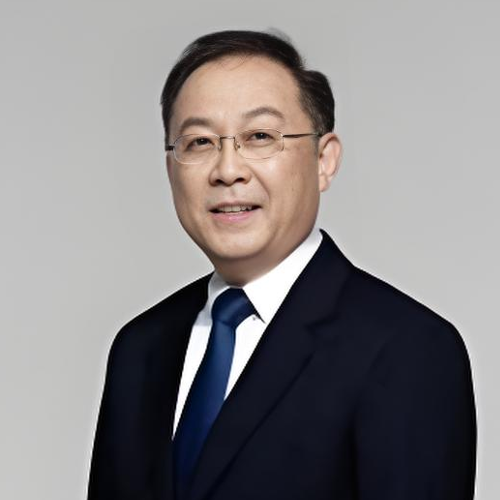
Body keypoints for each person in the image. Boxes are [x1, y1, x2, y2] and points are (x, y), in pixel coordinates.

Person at [87, 30, 476, 500]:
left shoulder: (408, 348)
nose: (227, 170)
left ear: (323, 160)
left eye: (260, 137)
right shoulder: (139, 347)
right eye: (199, 142)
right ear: (171, 168)